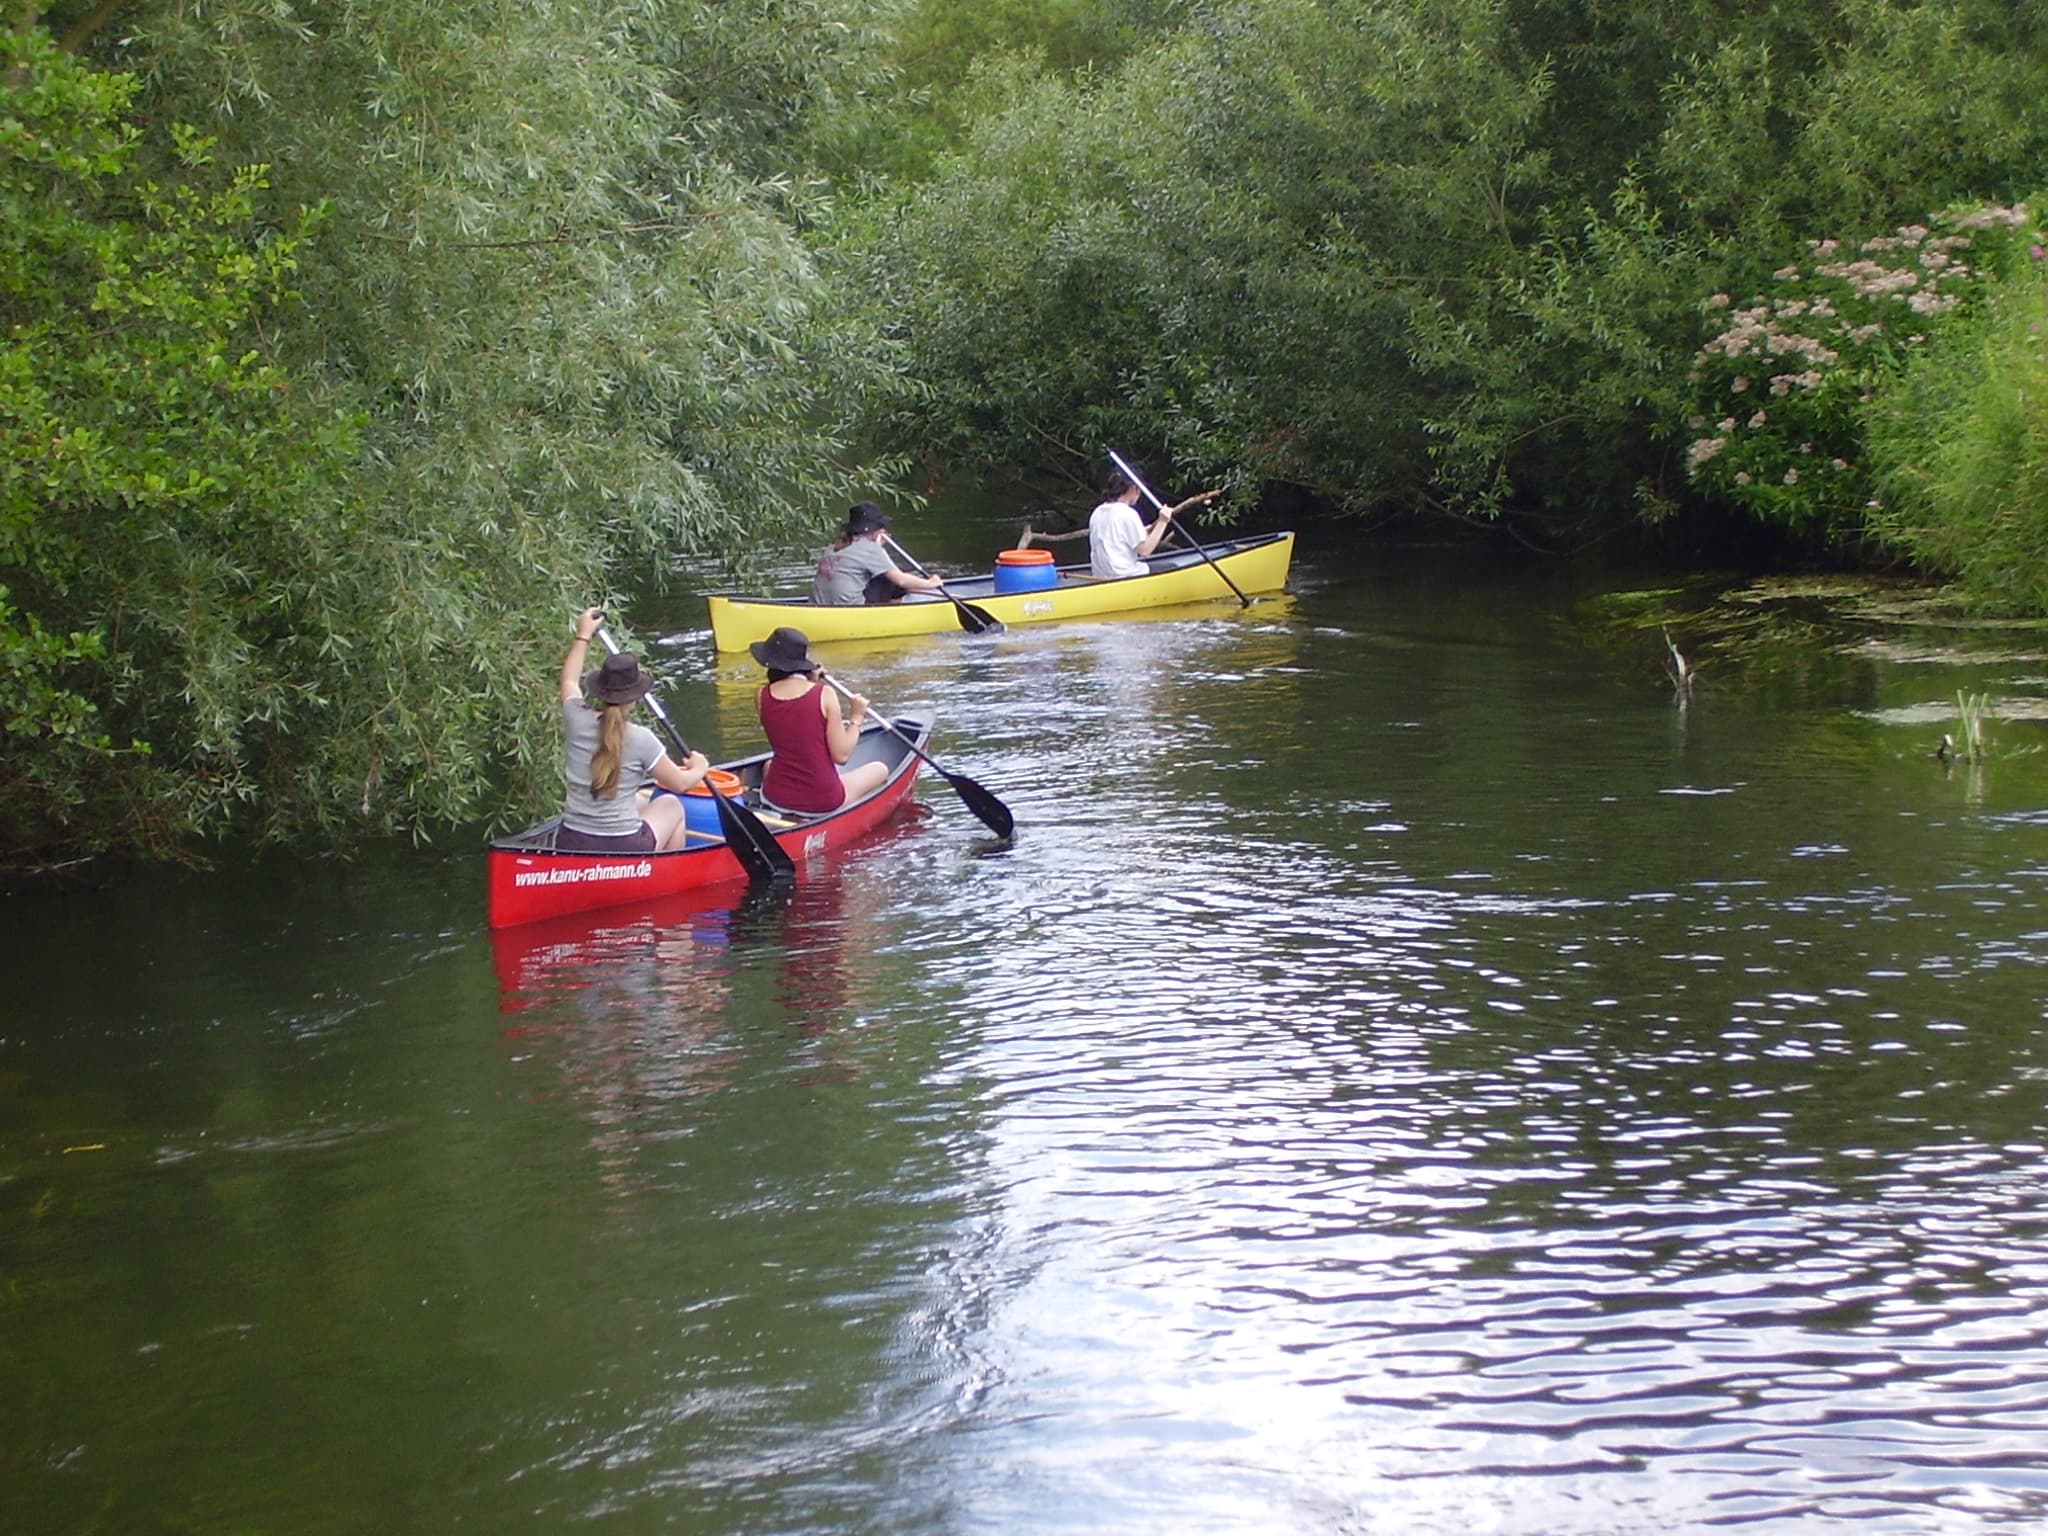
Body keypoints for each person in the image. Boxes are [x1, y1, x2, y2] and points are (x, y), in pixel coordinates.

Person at [556, 605, 710, 852]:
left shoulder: (576, 717)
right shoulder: (642, 739)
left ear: (600, 690)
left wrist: (583, 634)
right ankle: (665, 875)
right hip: (623, 843)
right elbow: (681, 783)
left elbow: (568, 681)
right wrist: (700, 767)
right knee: (671, 804)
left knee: (640, 799)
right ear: (636, 697)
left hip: (573, 840)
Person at [750, 626, 890, 813]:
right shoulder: (825, 694)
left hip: (775, 796)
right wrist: (857, 716)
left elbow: (793, 727)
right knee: (880, 769)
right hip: (821, 800)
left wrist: (812, 683)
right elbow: (841, 756)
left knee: (769, 765)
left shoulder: (761, 695)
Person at [1088, 470, 1222, 580]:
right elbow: (1145, 551)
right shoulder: (1127, 513)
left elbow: (1117, 539)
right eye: (1139, 489)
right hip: (1124, 575)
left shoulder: (1097, 512)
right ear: (1133, 488)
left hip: (1102, 576)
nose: (1139, 494)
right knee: (1172, 568)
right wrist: (1163, 521)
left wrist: (1144, 531)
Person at [810, 502, 947, 606]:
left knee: (881, 573)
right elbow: (901, 580)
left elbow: (857, 559)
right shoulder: (871, 549)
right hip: (850, 608)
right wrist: (931, 583)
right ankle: (895, 610)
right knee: (889, 579)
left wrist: (877, 546)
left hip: (819, 605)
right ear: (874, 530)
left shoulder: (833, 546)